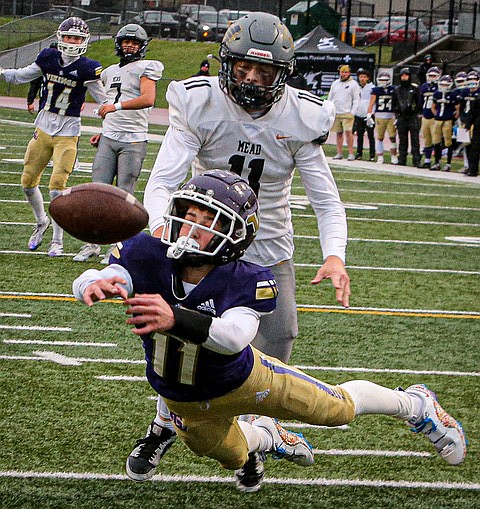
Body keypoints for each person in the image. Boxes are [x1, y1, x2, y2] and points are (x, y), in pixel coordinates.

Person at [73, 170, 467, 494]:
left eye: (207, 223)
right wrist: (92, 283)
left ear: (235, 235)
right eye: (188, 215)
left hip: (247, 380)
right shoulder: (144, 252)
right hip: (184, 400)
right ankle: (266, 438)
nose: (190, 229)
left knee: (337, 411)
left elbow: (234, 338)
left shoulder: (248, 278)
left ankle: (416, 404)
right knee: (231, 455)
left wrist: (177, 318)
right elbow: (106, 274)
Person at [131, 12, 351, 482]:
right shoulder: (200, 103)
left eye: (265, 71)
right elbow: (165, 178)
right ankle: (161, 426)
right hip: (203, 240)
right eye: (245, 68)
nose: (252, 78)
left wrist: (335, 254)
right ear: (227, 65)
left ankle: (254, 434)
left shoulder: (301, 116)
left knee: (280, 334)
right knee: (180, 337)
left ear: (282, 75)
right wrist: (162, 227)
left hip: (267, 241)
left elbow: (326, 201)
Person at [0, 17, 107, 256]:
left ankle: (57, 241)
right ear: (60, 37)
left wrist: (112, 116)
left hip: (68, 132)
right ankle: (41, 222)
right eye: (69, 37)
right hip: (43, 128)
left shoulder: (88, 67)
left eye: (77, 38)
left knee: (56, 187)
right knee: (27, 182)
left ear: (84, 41)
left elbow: (104, 100)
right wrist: (3, 72)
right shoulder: (47, 58)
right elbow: (21, 76)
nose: (72, 41)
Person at [73, 24, 164, 263]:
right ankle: (92, 244)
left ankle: (119, 247)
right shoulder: (110, 70)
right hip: (110, 137)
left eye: (134, 42)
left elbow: (148, 98)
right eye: (126, 41)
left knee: (124, 195)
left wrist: (117, 107)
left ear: (142, 46)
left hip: (133, 139)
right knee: (98, 193)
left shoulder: (147, 67)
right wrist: (104, 132)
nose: (130, 46)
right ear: (119, 43)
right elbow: (111, 100)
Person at [328, 64, 360, 161]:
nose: (344, 74)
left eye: (346, 72)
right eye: (342, 72)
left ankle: (351, 153)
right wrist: (330, 109)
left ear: (349, 73)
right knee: (339, 133)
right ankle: (339, 152)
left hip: (347, 113)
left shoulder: (354, 84)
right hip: (337, 112)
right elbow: (331, 97)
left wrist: (352, 112)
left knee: (348, 132)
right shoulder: (335, 84)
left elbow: (356, 99)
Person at [367, 71, 398, 164]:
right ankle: (380, 156)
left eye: (385, 80)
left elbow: (397, 103)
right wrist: (369, 114)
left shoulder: (394, 89)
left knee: (392, 137)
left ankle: (393, 156)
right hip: (379, 116)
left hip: (391, 115)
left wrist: (397, 116)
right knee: (380, 137)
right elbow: (371, 103)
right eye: (381, 80)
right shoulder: (375, 90)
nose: (383, 82)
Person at [392, 67, 421, 167]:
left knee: (415, 139)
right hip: (401, 117)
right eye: (403, 75)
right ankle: (402, 158)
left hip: (412, 116)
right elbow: (394, 103)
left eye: (406, 75)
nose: (404, 77)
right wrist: (397, 112)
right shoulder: (397, 89)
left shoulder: (415, 89)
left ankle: (416, 160)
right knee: (402, 139)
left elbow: (418, 103)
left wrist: (413, 110)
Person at [431, 75, 458, 171]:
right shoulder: (437, 94)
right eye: (442, 84)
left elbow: (457, 108)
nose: (444, 86)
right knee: (436, 141)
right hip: (438, 120)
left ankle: (448, 163)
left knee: (448, 142)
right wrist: (437, 115)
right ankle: (437, 162)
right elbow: (433, 107)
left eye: (446, 84)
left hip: (448, 120)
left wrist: (452, 118)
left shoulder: (452, 95)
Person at [418, 66, 441, 169]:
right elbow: (421, 101)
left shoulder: (440, 87)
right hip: (425, 116)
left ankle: (437, 162)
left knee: (436, 140)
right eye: (430, 75)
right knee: (426, 139)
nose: (432, 77)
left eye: (434, 75)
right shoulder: (424, 86)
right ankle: (427, 160)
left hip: (435, 118)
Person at [353, 68, 375, 161]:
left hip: (369, 115)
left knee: (370, 135)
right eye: (361, 77)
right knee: (359, 135)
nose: (362, 79)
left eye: (364, 77)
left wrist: (371, 113)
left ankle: (372, 154)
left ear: (368, 78)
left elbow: (373, 101)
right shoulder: (357, 88)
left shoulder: (371, 88)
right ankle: (359, 153)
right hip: (359, 114)